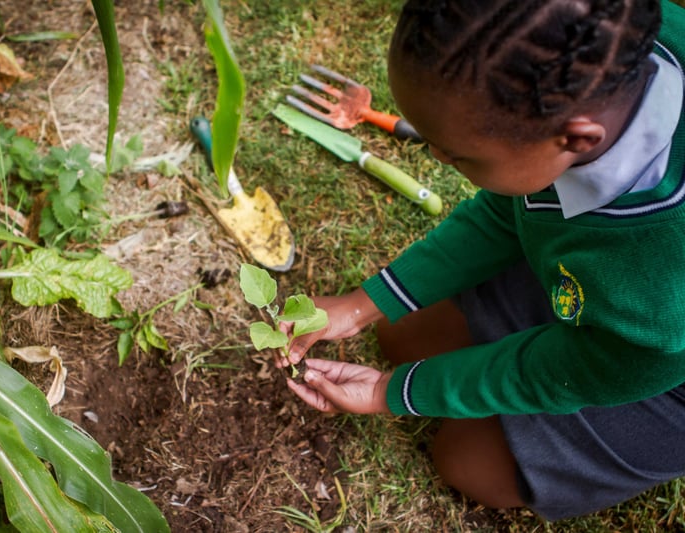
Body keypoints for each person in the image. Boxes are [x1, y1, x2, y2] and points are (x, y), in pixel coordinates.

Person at [280, 0, 685, 522]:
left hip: (658, 367)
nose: (437, 160)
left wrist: (392, 391)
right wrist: (363, 305)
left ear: (578, 138)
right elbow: (512, 210)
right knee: (401, 335)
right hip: (612, 284)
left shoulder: (661, 301)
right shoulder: (617, 51)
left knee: (466, 461)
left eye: (459, 158)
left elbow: (562, 371)